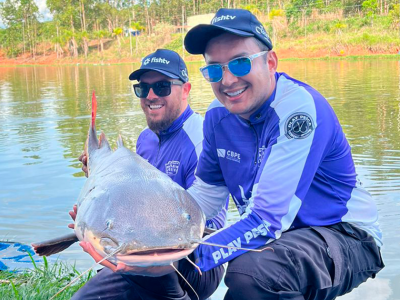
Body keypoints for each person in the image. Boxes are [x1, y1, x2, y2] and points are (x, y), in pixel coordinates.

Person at [178, 8, 384, 300]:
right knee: (170, 261)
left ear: (270, 62)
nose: (226, 81)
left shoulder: (298, 110)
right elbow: (205, 199)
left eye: (239, 63)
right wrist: (153, 240)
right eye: (214, 69)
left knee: (252, 272)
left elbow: (265, 220)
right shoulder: (216, 116)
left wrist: (191, 256)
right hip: (284, 240)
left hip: (346, 234)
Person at [72, 49, 226, 300]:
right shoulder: (145, 139)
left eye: (162, 87)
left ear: (186, 90)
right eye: (143, 89)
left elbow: (212, 227)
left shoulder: (200, 140)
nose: (151, 96)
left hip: (199, 260)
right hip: (142, 249)